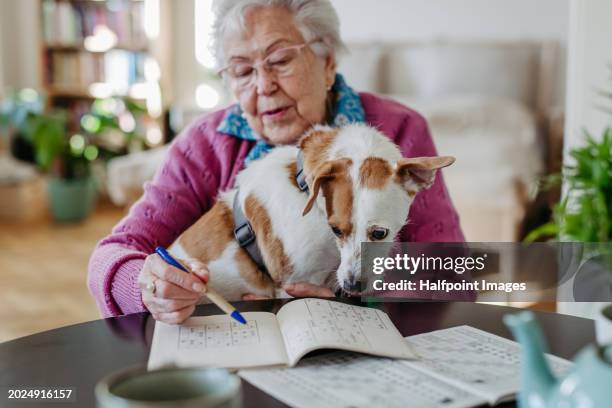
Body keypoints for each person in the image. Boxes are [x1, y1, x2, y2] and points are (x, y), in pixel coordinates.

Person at [87, 0, 464, 324]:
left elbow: (455, 277)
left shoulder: (400, 132)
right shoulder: (203, 144)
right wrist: (149, 286)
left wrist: (359, 301)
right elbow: (111, 254)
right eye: (242, 70)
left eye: (280, 60)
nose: (263, 85)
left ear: (328, 63)